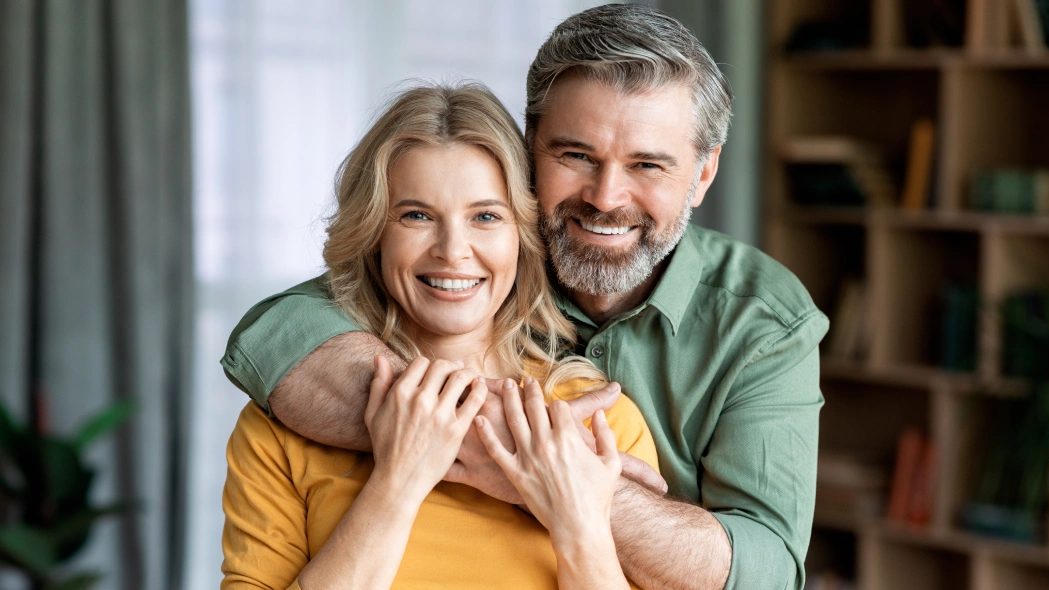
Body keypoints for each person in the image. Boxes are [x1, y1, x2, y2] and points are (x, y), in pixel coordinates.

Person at [222, 5, 828, 589]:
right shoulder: (478, 249)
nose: (605, 197)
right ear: (528, 148)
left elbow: (765, 573)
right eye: (575, 155)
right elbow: (276, 333)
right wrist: (503, 441)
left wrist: (573, 484)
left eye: (647, 164)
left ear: (702, 175)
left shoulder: (761, 322)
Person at [221, 83, 659, 589]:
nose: (453, 250)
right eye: (416, 215)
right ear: (373, 236)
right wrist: (396, 485)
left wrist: (578, 522)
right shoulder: (284, 424)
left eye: (486, 216)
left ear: (523, 234)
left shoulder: (597, 422)